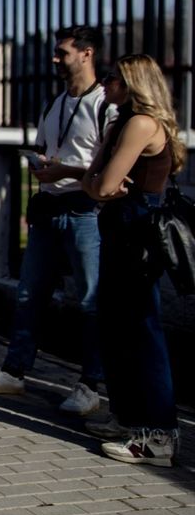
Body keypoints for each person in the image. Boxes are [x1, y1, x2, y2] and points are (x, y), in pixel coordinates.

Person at [0, 25, 115, 417]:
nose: (55, 59)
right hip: (50, 208)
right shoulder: (55, 103)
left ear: (86, 54)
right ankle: (15, 369)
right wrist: (41, 165)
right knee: (28, 293)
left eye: (62, 52)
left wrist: (61, 170)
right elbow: (45, 147)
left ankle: (90, 384)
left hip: (85, 210)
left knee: (89, 301)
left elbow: (111, 169)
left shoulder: (105, 106)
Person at [81, 54, 185, 466]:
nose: (105, 83)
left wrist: (100, 184)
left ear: (132, 82)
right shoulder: (121, 123)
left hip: (137, 234)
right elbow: (94, 183)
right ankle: (128, 418)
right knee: (115, 328)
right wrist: (101, 176)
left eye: (113, 78)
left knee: (142, 332)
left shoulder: (142, 124)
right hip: (120, 229)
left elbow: (103, 183)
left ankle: (158, 435)